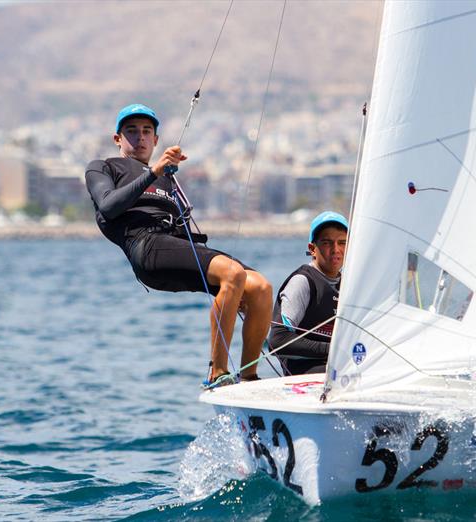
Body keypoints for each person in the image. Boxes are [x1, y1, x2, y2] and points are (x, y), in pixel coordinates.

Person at [85, 103, 272, 386]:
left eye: (147, 131)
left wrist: (231, 296)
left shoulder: (166, 178)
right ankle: (218, 372)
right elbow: (109, 206)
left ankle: (249, 377)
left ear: (156, 139)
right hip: (145, 246)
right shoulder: (104, 167)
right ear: (117, 139)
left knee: (260, 287)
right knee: (232, 272)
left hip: (172, 244)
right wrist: (153, 171)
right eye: (132, 131)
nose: (140, 137)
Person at [268, 211, 348, 375]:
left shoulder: (349, 284)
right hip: (305, 372)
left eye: (342, 243)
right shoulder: (302, 282)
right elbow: (278, 340)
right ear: (312, 249)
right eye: (327, 243)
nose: (336, 249)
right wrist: (333, 350)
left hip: (340, 366)